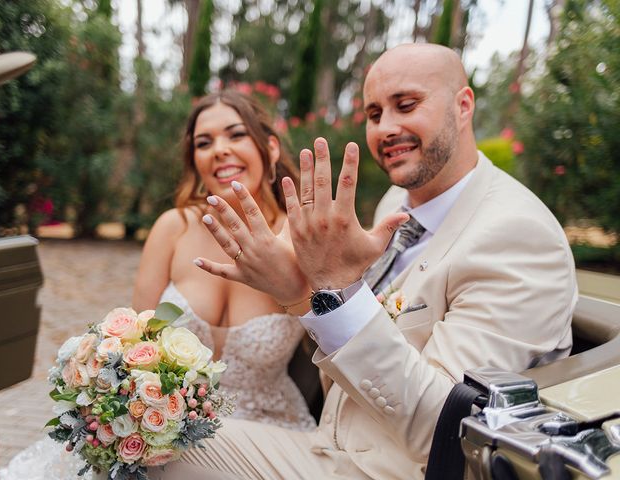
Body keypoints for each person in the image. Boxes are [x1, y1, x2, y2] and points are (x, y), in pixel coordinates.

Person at [150, 43, 577, 479]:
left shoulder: (517, 235)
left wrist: (317, 291)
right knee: (158, 442)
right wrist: (300, 294)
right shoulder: (399, 204)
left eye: (406, 105)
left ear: (463, 105)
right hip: (330, 445)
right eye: (374, 115)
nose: (386, 128)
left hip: (392, 470)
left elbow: (444, 428)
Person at [0, 91, 316, 480]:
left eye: (236, 135)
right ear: (194, 161)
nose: (219, 150)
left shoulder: (302, 237)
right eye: (204, 142)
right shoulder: (174, 228)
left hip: (271, 435)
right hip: (168, 436)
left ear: (269, 148)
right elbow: (132, 346)